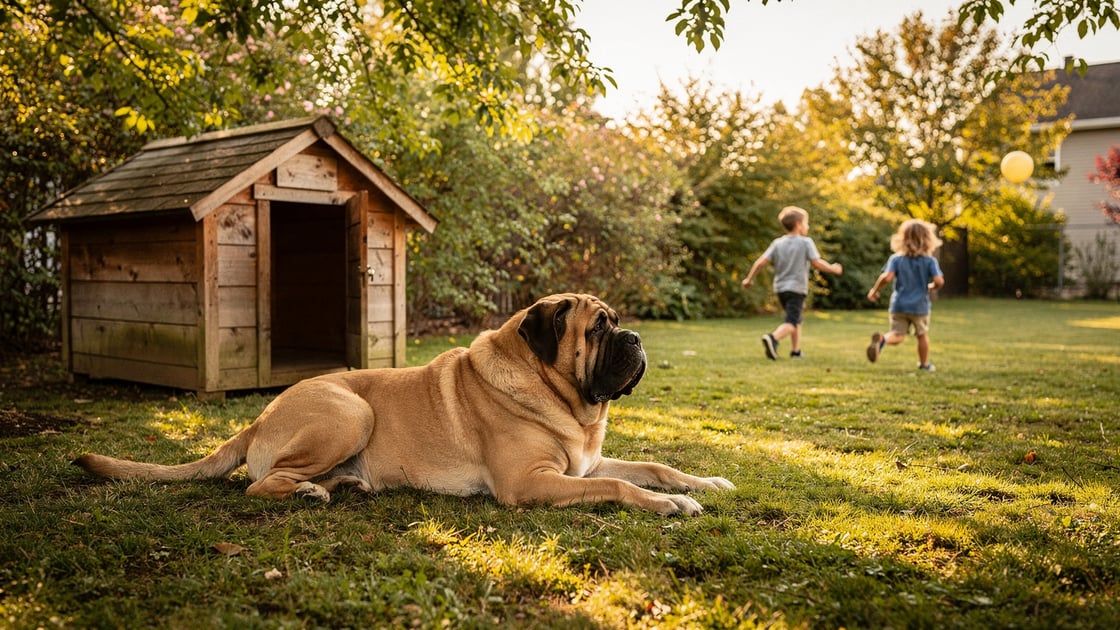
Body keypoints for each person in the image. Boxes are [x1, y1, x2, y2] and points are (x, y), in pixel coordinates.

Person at [741, 206, 843, 360]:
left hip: (781, 289)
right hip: (796, 288)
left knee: (796, 319)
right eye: (806, 223)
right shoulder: (806, 242)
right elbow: (817, 263)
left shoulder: (777, 243)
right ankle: (773, 337)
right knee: (792, 321)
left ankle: (796, 351)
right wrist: (833, 269)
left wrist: (749, 279)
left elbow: (761, 262)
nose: (807, 226)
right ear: (798, 224)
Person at [865, 218, 945, 371]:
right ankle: (924, 365)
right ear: (928, 239)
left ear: (903, 238)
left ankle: (882, 340)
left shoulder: (896, 259)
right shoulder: (929, 261)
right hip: (919, 306)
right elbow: (939, 281)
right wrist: (931, 287)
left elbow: (886, 278)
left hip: (899, 304)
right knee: (921, 335)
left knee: (898, 335)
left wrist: (874, 291)